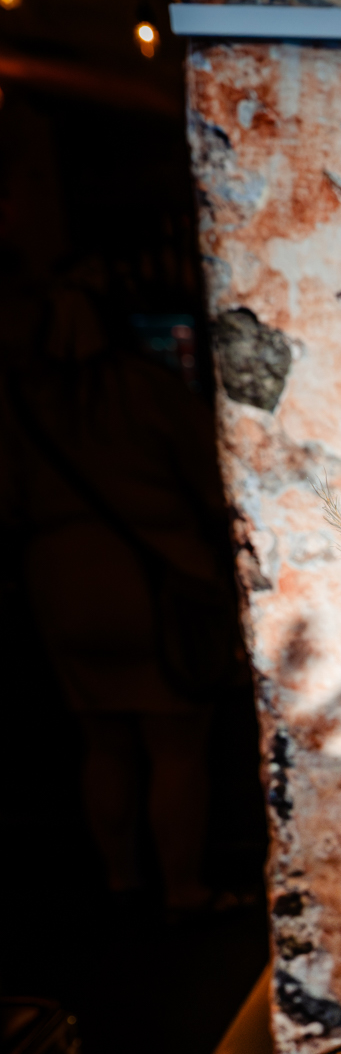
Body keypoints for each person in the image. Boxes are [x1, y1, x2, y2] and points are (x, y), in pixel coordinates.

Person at [0, 261, 242, 919]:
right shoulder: (148, 389)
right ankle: (183, 887)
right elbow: (208, 478)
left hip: (57, 578)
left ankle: (119, 881)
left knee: (101, 740)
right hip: (148, 575)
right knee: (174, 742)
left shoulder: (21, 400)